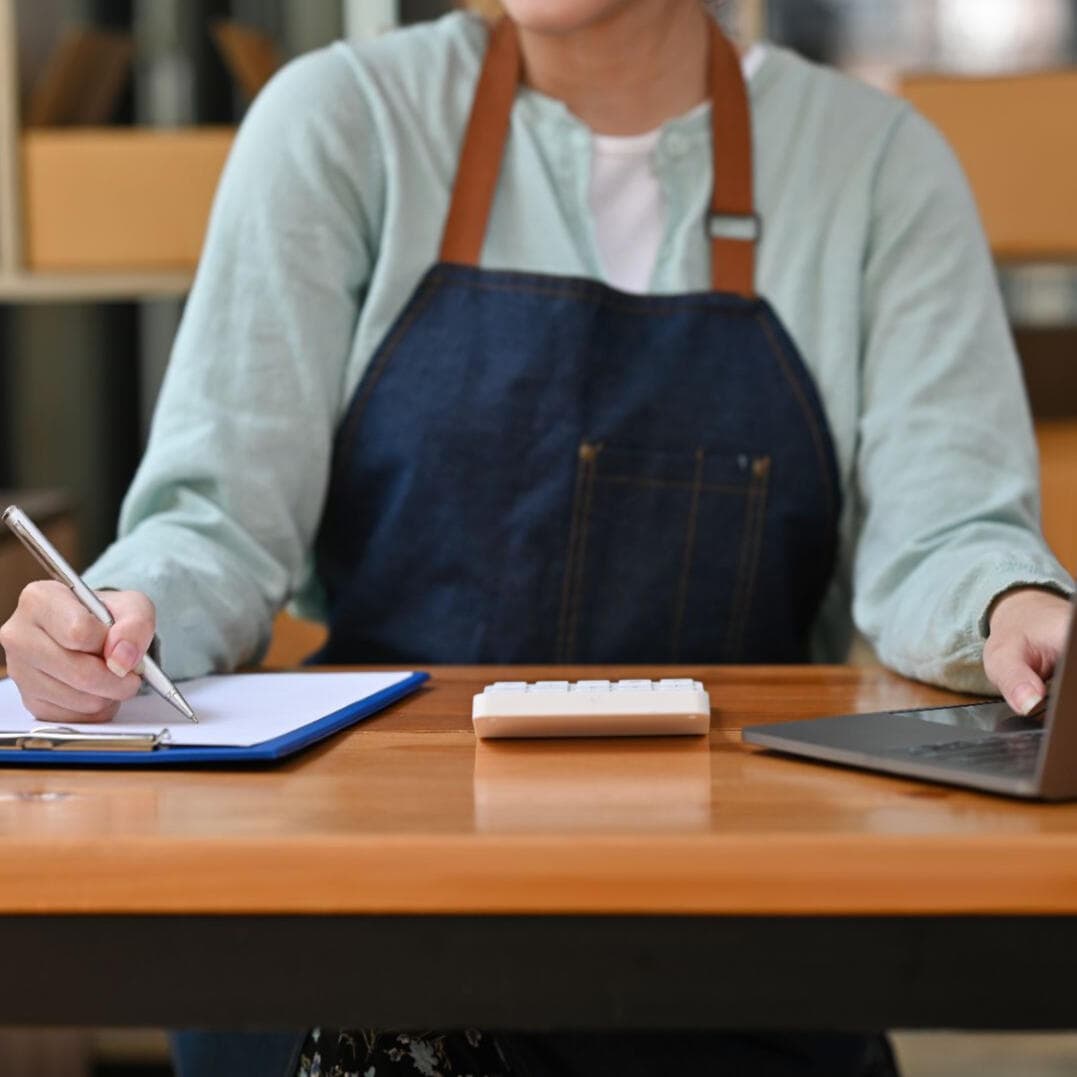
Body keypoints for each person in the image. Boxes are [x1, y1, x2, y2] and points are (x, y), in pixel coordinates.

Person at [1, 0, 1072, 1073]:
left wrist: (1011, 607)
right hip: (348, 930)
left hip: (729, 932)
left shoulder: (877, 164)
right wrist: (118, 620)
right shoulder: (342, 121)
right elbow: (216, 519)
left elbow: (947, 529)